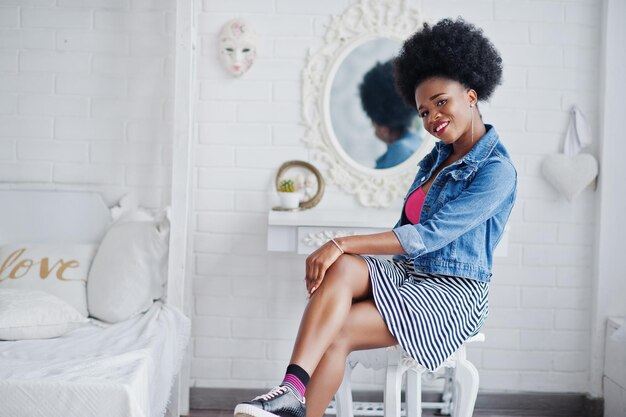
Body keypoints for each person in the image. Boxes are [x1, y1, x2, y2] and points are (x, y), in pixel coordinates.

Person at [234, 18, 517, 417]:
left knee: (339, 329)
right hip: (411, 276)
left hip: (454, 294)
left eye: (441, 101)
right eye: (423, 111)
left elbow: (429, 235)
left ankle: (296, 406)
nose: (433, 116)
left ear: (471, 96)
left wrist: (339, 241)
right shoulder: (435, 160)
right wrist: (342, 251)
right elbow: (405, 235)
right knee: (344, 267)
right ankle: (291, 392)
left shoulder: (497, 171)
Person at [359, 60, 422, 169]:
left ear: (384, 129)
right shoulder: (417, 142)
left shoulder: (400, 150)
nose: (372, 126)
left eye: (372, 121)